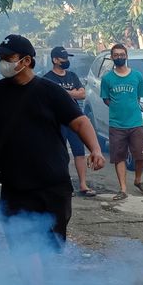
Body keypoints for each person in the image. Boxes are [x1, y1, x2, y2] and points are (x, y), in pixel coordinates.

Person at [0, 34, 106, 285]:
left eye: (8, 58)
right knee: (22, 241)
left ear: (26, 61)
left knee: (52, 243)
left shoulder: (50, 91)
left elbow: (79, 121)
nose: (3, 63)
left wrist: (96, 149)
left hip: (52, 183)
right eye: (2, 58)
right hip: (13, 183)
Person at [41, 46, 96, 197]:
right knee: (60, 153)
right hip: (57, 121)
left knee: (79, 152)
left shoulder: (72, 76)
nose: (66, 61)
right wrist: (73, 93)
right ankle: (64, 183)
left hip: (75, 119)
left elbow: (83, 94)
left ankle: (83, 184)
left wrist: (63, 93)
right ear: (55, 60)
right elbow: (49, 98)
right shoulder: (47, 78)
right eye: (63, 58)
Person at [99, 43, 143, 201]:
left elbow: (138, 97)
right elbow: (106, 99)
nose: (119, 57)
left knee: (140, 155)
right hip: (116, 124)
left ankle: (138, 180)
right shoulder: (107, 79)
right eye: (116, 55)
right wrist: (118, 108)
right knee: (119, 157)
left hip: (135, 122)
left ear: (126, 56)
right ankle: (123, 189)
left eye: (122, 54)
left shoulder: (137, 76)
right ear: (112, 57)